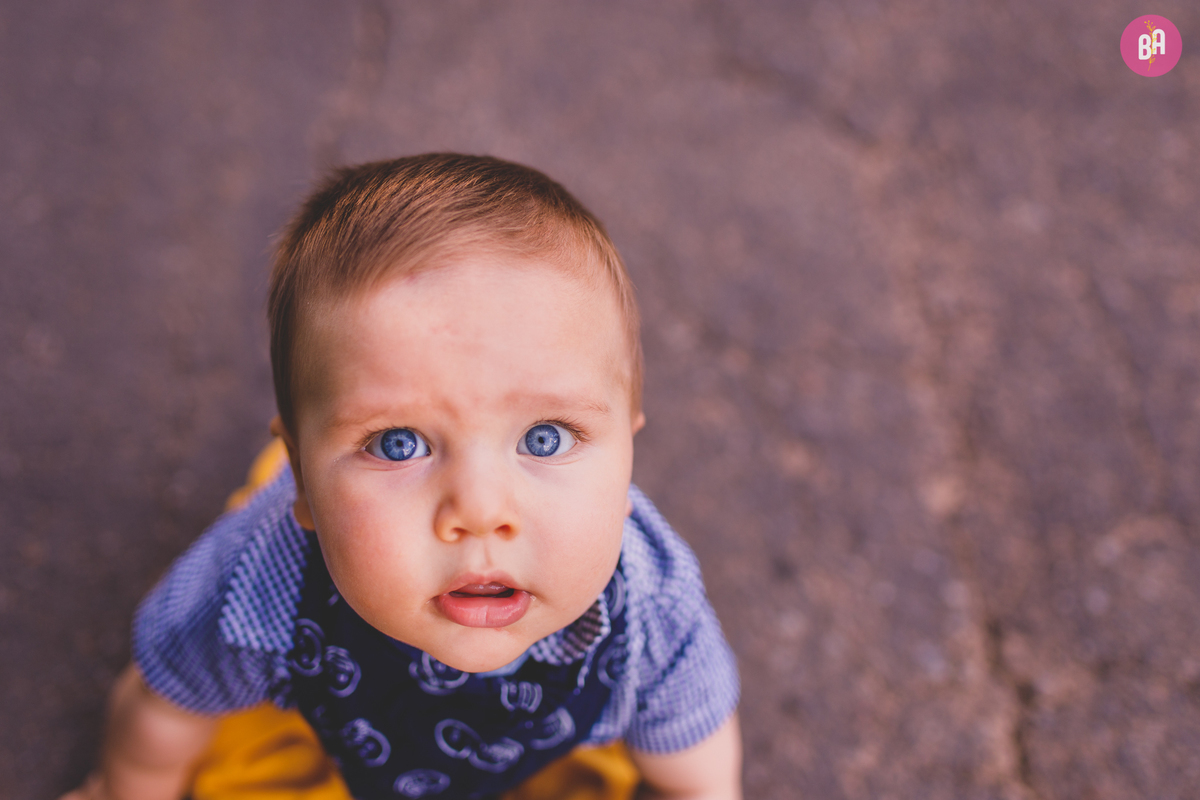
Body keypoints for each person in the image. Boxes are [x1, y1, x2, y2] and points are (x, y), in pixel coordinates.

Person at [63, 154, 741, 800]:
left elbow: (698, 769)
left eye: (545, 438)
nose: (479, 509)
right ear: (299, 478)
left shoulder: (652, 613)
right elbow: (165, 701)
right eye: (397, 443)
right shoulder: (258, 585)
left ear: (626, 460)